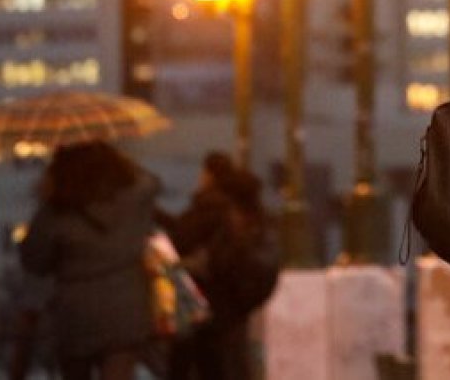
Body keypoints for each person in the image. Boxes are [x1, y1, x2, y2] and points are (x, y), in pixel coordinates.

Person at [19, 140, 161, 380]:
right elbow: (150, 183)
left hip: (76, 311)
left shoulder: (55, 211)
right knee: (119, 370)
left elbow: (34, 261)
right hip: (127, 304)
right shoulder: (134, 198)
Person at [166, 151, 275, 380]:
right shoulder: (251, 211)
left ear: (208, 175)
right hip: (236, 302)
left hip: (206, 300)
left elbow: (181, 238)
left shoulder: (211, 206)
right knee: (233, 361)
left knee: (200, 363)